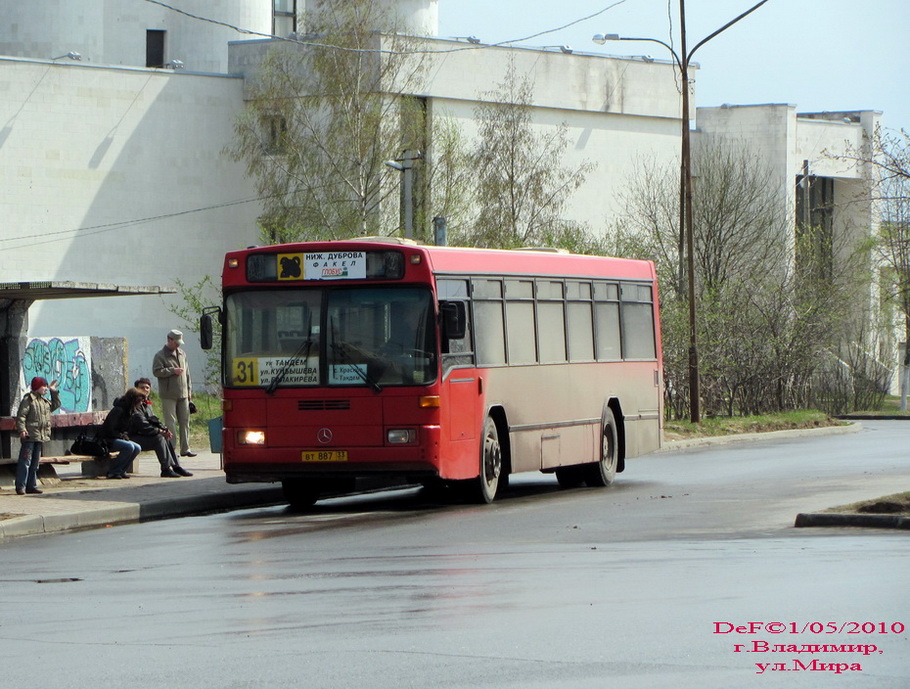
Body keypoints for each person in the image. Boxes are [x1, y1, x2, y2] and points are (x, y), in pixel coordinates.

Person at [129, 378, 192, 477]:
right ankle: (166, 469)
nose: (145, 390)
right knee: (159, 438)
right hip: (131, 437)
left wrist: (164, 429)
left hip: (142, 434)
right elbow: (142, 425)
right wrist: (159, 431)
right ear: (136, 389)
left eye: (147, 388)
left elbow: (153, 419)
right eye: (142, 388)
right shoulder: (134, 404)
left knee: (165, 437)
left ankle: (176, 466)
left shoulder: (146, 403)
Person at [152, 329, 196, 458]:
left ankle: (185, 449)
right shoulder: (160, 355)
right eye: (176, 342)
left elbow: (187, 374)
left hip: (183, 394)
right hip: (168, 394)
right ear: (169, 340)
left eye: (179, 342)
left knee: (185, 421)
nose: (178, 345)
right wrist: (172, 370)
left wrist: (189, 390)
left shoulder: (182, 354)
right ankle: (172, 449)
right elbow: (157, 372)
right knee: (170, 423)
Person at [14, 376, 62, 495]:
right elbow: (21, 417)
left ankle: (31, 486)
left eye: (46, 387)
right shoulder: (28, 400)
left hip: (40, 437)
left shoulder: (44, 402)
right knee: (25, 461)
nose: (45, 389)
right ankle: (21, 486)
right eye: (44, 386)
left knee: (35, 463)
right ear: (37, 387)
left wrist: (53, 391)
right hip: (30, 436)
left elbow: (55, 405)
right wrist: (22, 430)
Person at [98, 388, 143, 480]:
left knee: (137, 448)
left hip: (117, 438)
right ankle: (113, 471)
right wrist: (122, 437)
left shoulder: (130, 411)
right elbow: (110, 430)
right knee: (128, 447)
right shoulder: (118, 410)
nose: (141, 403)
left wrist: (124, 436)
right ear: (133, 400)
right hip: (106, 440)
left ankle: (122, 470)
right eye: (139, 401)